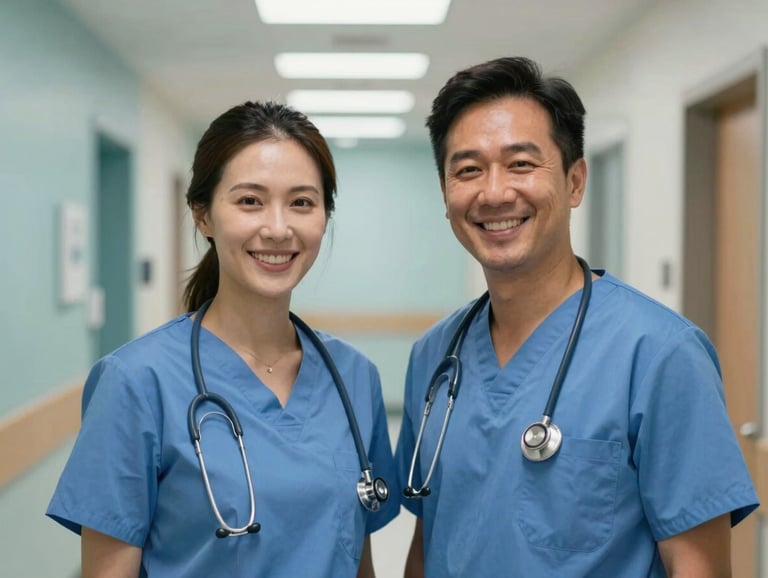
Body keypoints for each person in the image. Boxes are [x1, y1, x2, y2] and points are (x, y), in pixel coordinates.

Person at [394, 57, 758, 577]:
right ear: (446, 193)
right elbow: (430, 542)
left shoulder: (659, 353)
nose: (494, 192)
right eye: (468, 169)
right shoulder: (434, 356)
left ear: (575, 181)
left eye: (521, 163)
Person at [47, 101, 399, 577]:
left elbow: (359, 560)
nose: (278, 228)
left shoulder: (354, 377)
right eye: (250, 200)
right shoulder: (135, 382)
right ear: (203, 215)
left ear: (324, 217)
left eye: (302, 202)